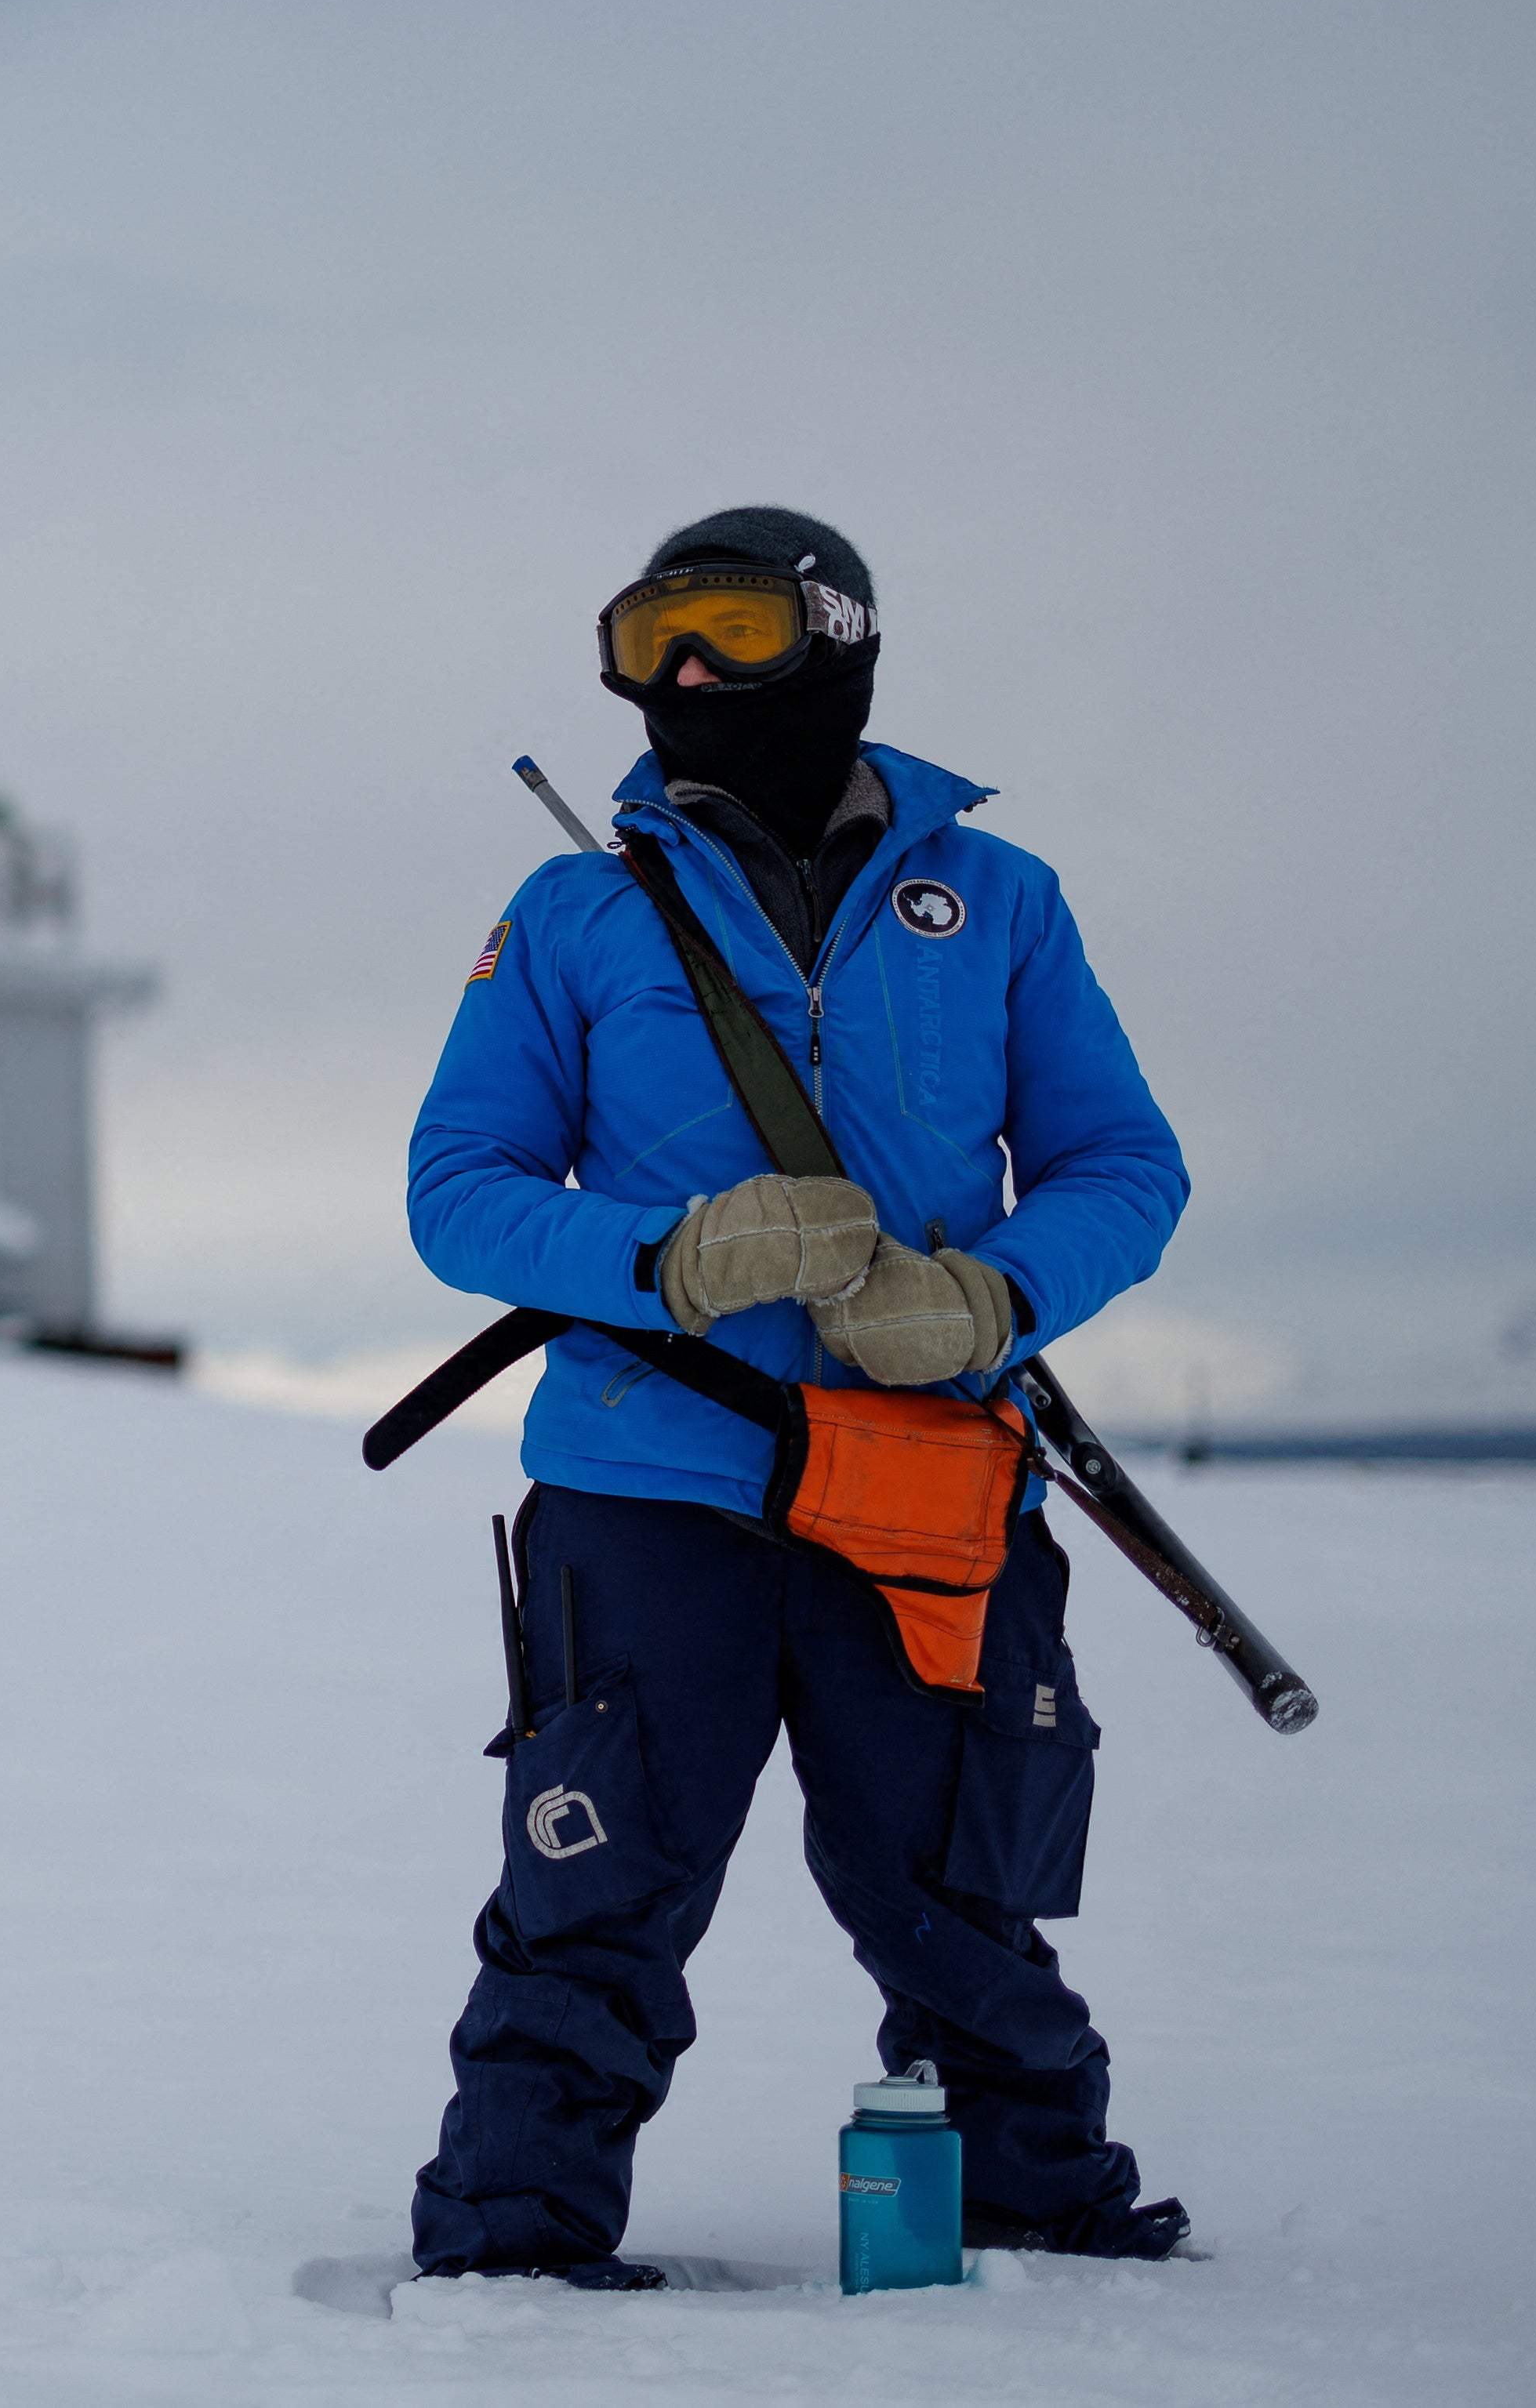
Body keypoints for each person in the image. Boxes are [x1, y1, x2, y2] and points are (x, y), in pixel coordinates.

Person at [403, 506, 1195, 2286]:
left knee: (958, 1888)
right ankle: (513, 2252)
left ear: (834, 638)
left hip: (926, 1482)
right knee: (593, 1895)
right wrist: (665, 1255)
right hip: (648, 1475)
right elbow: (457, 1188)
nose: (684, 673)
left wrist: (991, 1288)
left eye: (731, 628)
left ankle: (1041, 2221)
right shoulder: (575, 908)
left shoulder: (996, 901)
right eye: (650, 633)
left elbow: (1121, 1163)